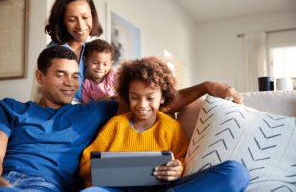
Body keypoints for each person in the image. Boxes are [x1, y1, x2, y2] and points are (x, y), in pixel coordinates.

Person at [0, 46, 244, 192]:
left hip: (51, 188)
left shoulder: (93, 111)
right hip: (11, 179)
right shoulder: (10, 107)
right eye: (60, 75)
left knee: (234, 173)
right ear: (40, 77)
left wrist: (206, 87)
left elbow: (151, 103)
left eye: (75, 76)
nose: (70, 83)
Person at [79, 56, 250, 192]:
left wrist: (177, 169)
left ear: (162, 97)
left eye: (150, 98)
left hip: (161, 188)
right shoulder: (116, 125)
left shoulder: (171, 127)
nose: (142, 105)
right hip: (116, 189)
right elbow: (88, 161)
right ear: (127, 96)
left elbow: (182, 160)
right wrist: (94, 177)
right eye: (134, 97)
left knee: (236, 173)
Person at [30, 0, 103, 104]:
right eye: (72, 20)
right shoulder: (53, 53)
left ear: (92, 15)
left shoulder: (90, 50)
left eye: (85, 17)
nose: (81, 26)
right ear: (62, 21)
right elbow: (38, 97)